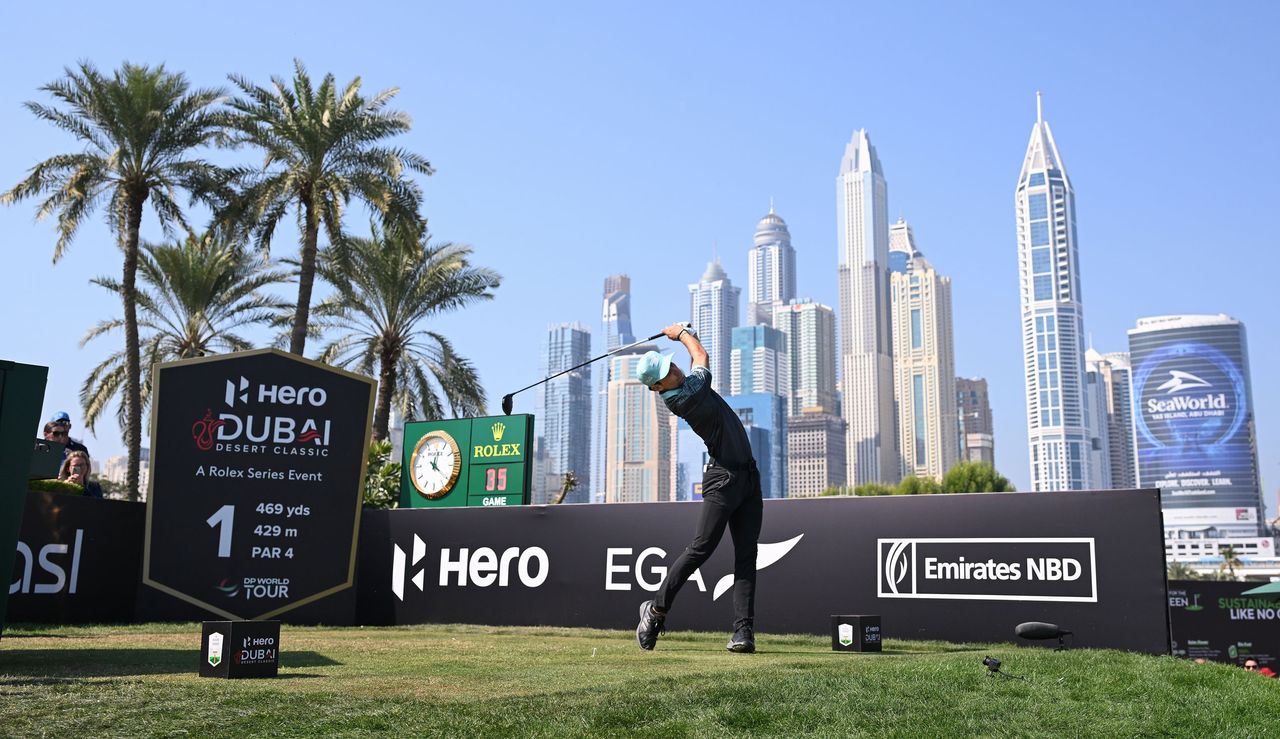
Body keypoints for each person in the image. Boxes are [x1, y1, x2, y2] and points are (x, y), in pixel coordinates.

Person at [633, 322, 763, 654]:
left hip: (748, 478)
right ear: (658, 387)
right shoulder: (685, 397)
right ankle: (657, 610)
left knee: (747, 556)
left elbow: (695, 359)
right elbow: (700, 354)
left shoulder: (687, 384)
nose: (673, 368)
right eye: (667, 371)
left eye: (671, 364)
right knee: (701, 547)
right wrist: (681, 333)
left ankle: (743, 633)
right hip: (722, 480)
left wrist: (686, 335)